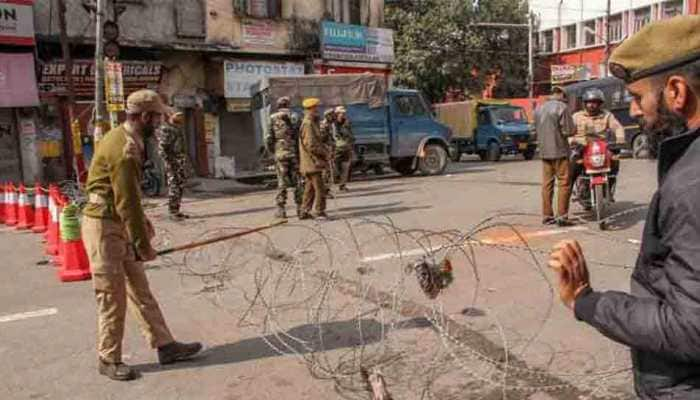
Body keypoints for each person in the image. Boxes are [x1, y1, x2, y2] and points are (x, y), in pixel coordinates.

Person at [549, 15, 700, 399]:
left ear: (676, 91)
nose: (632, 110)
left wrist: (586, 301)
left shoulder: (690, 185)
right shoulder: (580, 117)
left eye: (636, 97)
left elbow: (689, 329)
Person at [82, 90, 202, 381]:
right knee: (112, 295)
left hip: (117, 221)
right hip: (103, 226)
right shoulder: (124, 149)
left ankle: (165, 345)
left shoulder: (129, 140)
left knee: (140, 289)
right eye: (157, 117)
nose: (160, 122)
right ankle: (108, 359)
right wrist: (142, 245)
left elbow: (130, 197)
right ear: (145, 116)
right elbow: (125, 202)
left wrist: (142, 225)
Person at [570, 89, 624, 200]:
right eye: (589, 102)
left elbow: (617, 127)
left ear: (600, 104)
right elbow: (568, 132)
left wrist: (620, 140)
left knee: (614, 162)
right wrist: (572, 140)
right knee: (572, 167)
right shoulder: (576, 116)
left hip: (601, 147)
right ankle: (568, 192)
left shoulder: (607, 115)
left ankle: (608, 189)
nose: (592, 105)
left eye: (595, 102)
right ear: (584, 103)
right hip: (581, 147)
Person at [534, 86, 576, 226]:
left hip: (544, 152)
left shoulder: (539, 108)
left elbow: (535, 130)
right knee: (564, 183)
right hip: (560, 151)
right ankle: (562, 216)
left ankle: (547, 215)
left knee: (547, 184)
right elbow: (568, 130)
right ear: (561, 94)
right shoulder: (561, 107)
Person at [266, 96, 302, 219]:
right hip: (294, 153)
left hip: (280, 153)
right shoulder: (296, 116)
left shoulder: (272, 118)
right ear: (288, 105)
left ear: (278, 105)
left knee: (282, 182)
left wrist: (273, 151)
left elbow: (268, 138)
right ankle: (301, 209)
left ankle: (281, 210)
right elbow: (300, 136)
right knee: (298, 181)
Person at [298, 98, 330, 220]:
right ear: (311, 108)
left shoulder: (311, 122)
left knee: (310, 188)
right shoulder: (308, 123)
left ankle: (304, 211)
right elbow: (311, 145)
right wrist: (325, 153)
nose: (318, 109)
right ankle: (319, 212)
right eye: (316, 107)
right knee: (320, 188)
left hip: (310, 162)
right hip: (312, 162)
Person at [157, 110, 190, 221]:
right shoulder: (166, 129)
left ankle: (176, 210)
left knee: (180, 185)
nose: (180, 117)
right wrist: (169, 162)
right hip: (172, 162)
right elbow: (162, 149)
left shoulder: (177, 128)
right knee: (174, 186)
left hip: (179, 161)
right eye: (178, 115)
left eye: (181, 115)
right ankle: (172, 211)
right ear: (170, 116)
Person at [333, 106, 355, 191]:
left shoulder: (347, 123)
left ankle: (342, 185)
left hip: (346, 148)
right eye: (340, 113)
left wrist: (351, 144)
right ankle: (329, 187)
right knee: (334, 169)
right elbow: (333, 136)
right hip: (336, 149)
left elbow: (351, 135)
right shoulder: (333, 124)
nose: (342, 115)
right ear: (337, 114)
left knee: (345, 168)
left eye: (343, 113)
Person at [319, 108, 337, 198]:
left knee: (328, 172)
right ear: (328, 116)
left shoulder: (330, 125)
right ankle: (324, 191)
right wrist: (327, 151)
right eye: (333, 115)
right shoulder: (324, 126)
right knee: (325, 172)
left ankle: (326, 190)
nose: (334, 117)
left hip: (329, 151)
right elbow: (321, 140)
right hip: (325, 152)